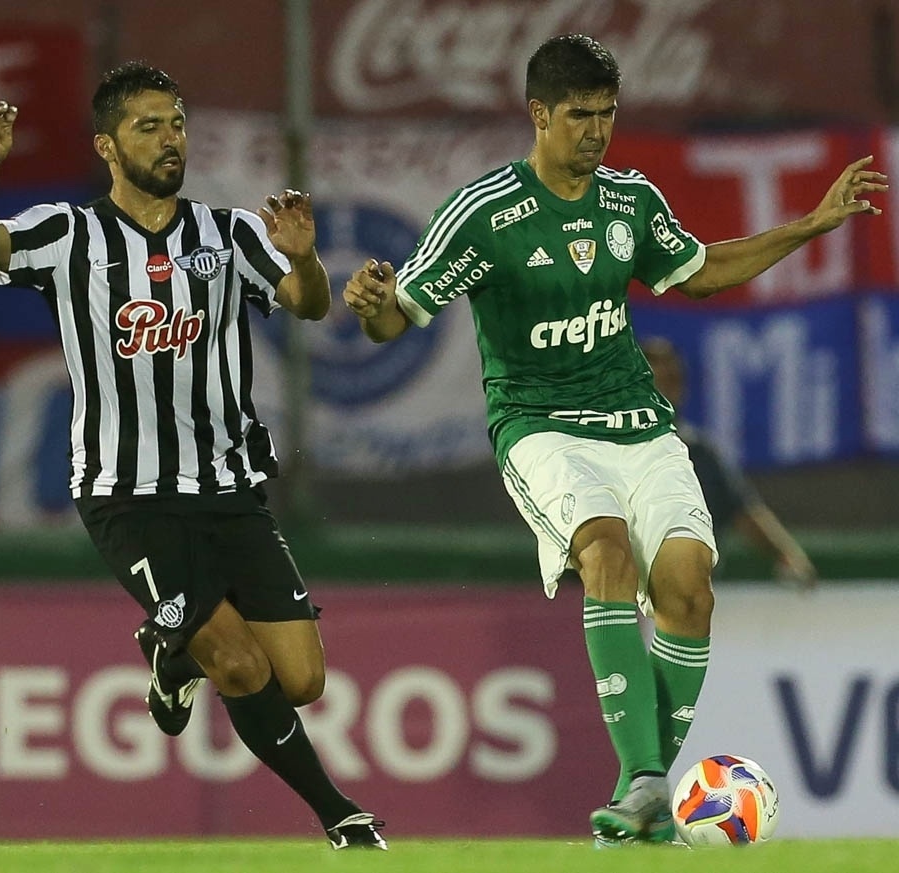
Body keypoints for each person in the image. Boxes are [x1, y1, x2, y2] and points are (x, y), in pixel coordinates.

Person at [342, 33, 885, 846]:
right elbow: (397, 317)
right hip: (542, 428)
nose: (595, 133)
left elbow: (701, 269)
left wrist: (812, 224)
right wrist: (369, 302)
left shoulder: (629, 201)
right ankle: (644, 782)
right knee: (603, 546)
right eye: (579, 116)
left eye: (606, 115)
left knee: (690, 584)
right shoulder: (486, 214)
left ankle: (640, 806)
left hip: (639, 425)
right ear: (539, 115)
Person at [0, 61, 386, 851]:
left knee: (304, 678)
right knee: (241, 664)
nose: (169, 138)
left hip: (228, 487)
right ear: (107, 145)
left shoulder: (229, 234)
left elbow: (308, 305)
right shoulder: (70, 233)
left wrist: (307, 258)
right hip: (129, 492)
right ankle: (340, 814)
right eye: (149, 126)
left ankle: (169, 653)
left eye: (177, 122)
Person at [641, 336, 817, 589]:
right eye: (658, 379)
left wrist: (788, 556)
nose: (668, 387)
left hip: (684, 596)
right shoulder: (608, 445)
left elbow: (744, 512)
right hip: (618, 595)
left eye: (674, 380)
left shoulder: (699, 453)